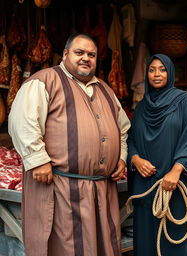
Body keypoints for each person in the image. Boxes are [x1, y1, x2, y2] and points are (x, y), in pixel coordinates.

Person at [8, 33, 131, 256]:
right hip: (60, 186)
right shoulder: (44, 80)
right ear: (65, 54)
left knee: (102, 246)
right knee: (66, 247)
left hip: (100, 189)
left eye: (91, 55)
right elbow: (21, 121)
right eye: (79, 52)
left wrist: (121, 157)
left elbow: (123, 128)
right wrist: (37, 160)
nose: (86, 58)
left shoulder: (105, 89)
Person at [127, 54, 187, 256]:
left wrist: (176, 171)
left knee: (177, 243)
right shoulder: (142, 107)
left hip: (176, 185)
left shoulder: (183, 101)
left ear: (170, 73)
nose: (157, 74)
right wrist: (135, 159)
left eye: (162, 69)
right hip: (147, 185)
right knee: (148, 241)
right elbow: (131, 140)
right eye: (152, 70)